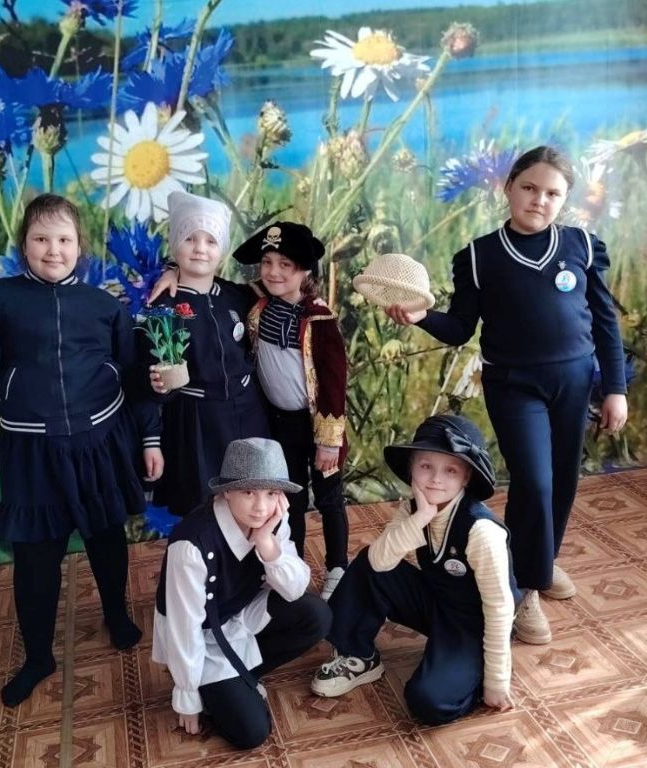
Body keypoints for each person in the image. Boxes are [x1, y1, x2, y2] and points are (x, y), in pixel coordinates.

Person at [0, 194, 164, 707]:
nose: (53, 250)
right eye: (41, 239)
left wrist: (151, 438)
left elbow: (135, 378)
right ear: (24, 244)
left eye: (64, 239)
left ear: (79, 246)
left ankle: (116, 615)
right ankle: (39, 657)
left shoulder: (104, 306)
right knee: (35, 559)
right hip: (31, 453)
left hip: (98, 444)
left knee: (106, 538)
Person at [385, 146, 628, 644]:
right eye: (530, 188)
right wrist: (421, 317)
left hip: (574, 381)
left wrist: (615, 389)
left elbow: (606, 323)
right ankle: (523, 589)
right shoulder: (479, 256)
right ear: (509, 187)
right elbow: (460, 328)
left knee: (563, 479)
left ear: (564, 199)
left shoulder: (582, 245)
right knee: (534, 482)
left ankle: (540, 564)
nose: (540, 200)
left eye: (553, 193)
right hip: (514, 385)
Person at [311, 414, 519, 725]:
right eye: (425, 466)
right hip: (436, 603)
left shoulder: (481, 531)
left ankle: (468, 672)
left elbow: (499, 607)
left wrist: (496, 680)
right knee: (372, 560)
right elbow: (378, 562)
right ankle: (359, 655)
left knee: (428, 701)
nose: (435, 479)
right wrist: (420, 518)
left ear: (466, 477)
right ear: (411, 469)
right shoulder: (412, 510)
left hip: (473, 625)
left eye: (450, 470)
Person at [152, 437, 332, 749]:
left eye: (271, 493)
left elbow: (294, 589)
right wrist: (187, 695)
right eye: (249, 492)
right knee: (251, 732)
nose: (261, 506)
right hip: (201, 636)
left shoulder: (273, 521)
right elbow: (184, 626)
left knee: (317, 615)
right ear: (226, 491)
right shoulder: (192, 544)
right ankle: (215, 685)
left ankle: (243, 674)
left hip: (241, 612)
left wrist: (267, 543)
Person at [232, 223, 350, 600]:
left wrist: (328, 442)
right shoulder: (257, 303)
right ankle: (291, 562)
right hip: (279, 426)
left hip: (317, 425)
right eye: (267, 262)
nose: (273, 272)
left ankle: (338, 567)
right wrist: (174, 269)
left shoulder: (319, 319)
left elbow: (333, 382)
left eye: (285, 264)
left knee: (329, 497)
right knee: (289, 499)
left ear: (304, 271)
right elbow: (215, 285)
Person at [145, 190, 270, 518]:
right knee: (203, 509)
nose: (200, 248)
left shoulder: (238, 296)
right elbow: (152, 378)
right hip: (196, 422)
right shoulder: (163, 306)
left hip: (247, 413)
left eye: (211, 241)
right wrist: (158, 389)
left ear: (222, 249)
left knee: (252, 500)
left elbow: (284, 287)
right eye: (189, 238)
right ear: (175, 244)